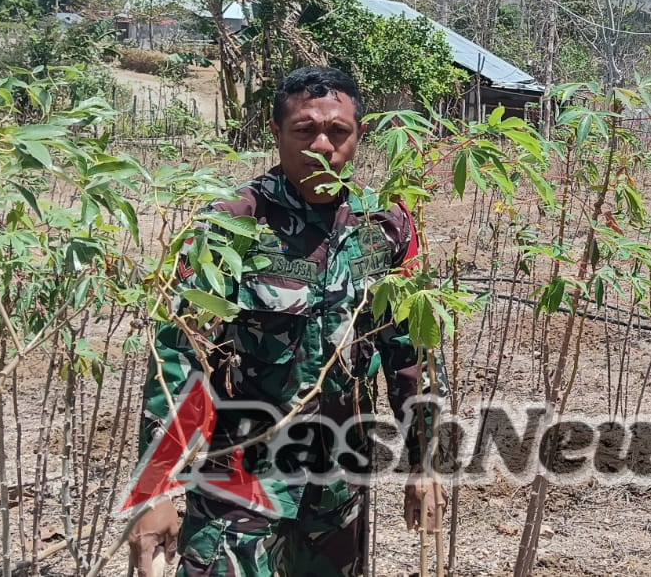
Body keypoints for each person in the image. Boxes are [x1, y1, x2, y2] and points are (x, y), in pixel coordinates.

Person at [127, 66, 445, 576]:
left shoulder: (386, 229)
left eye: (338, 131)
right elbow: (179, 359)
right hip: (239, 477)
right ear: (276, 133)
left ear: (360, 135)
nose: (322, 144)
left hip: (340, 483)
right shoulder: (230, 226)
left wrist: (425, 462)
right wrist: (157, 487)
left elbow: (412, 354)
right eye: (304, 130)